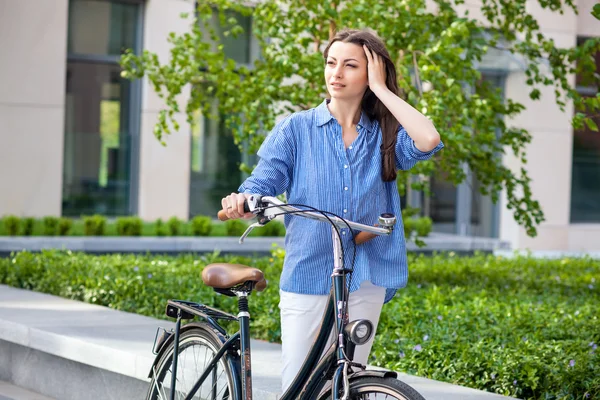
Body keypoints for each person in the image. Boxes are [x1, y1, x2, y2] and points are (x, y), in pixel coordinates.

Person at [221, 28, 444, 392]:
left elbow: (429, 139)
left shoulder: (385, 135)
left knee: (349, 382)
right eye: (330, 62)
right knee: (299, 384)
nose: (336, 73)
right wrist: (243, 201)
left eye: (350, 65)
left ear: (371, 73)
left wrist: (383, 90)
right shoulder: (296, 129)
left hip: (365, 273)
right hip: (310, 270)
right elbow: (261, 183)